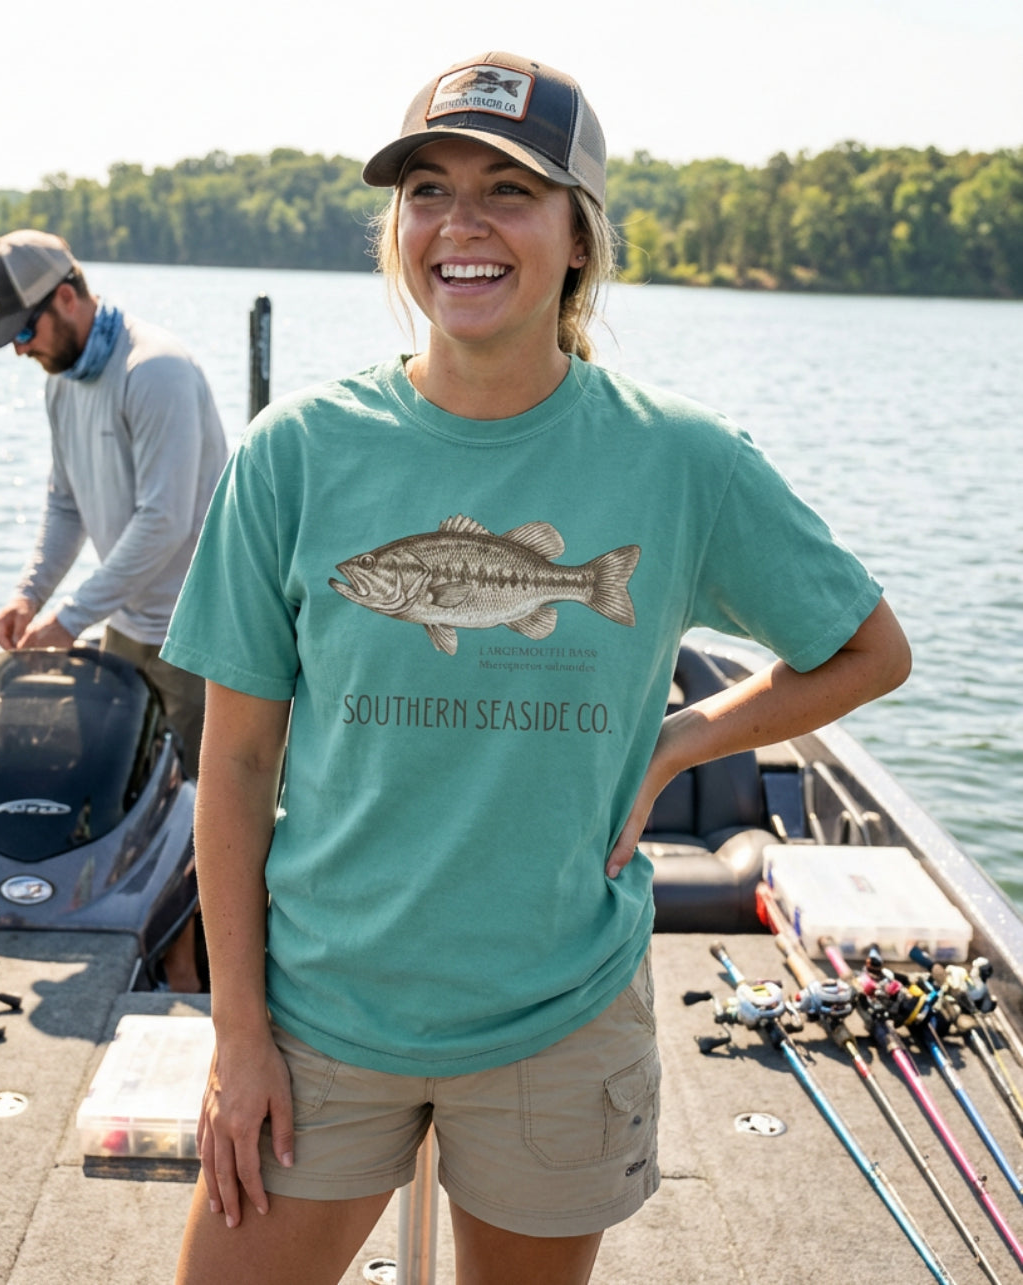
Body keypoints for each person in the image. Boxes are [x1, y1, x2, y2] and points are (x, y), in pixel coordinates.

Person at [163, 52, 911, 1285]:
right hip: (317, 1020)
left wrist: (677, 739)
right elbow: (236, 762)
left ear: (579, 238)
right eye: (426, 190)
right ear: (395, 228)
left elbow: (864, 651)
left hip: (558, 1023)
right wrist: (236, 1034)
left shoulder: (680, 458)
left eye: (509, 190)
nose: (460, 224)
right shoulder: (292, 452)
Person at [0, 229, 228, 990]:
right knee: (128, 797)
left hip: (200, 627)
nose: (19, 349)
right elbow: (64, 505)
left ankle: (197, 974)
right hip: (129, 624)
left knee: (202, 812)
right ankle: (140, 939)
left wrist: (70, 618)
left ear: (66, 298)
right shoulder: (63, 380)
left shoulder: (155, 371)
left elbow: (165, 520)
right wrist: (29, 593)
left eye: (23, 330)